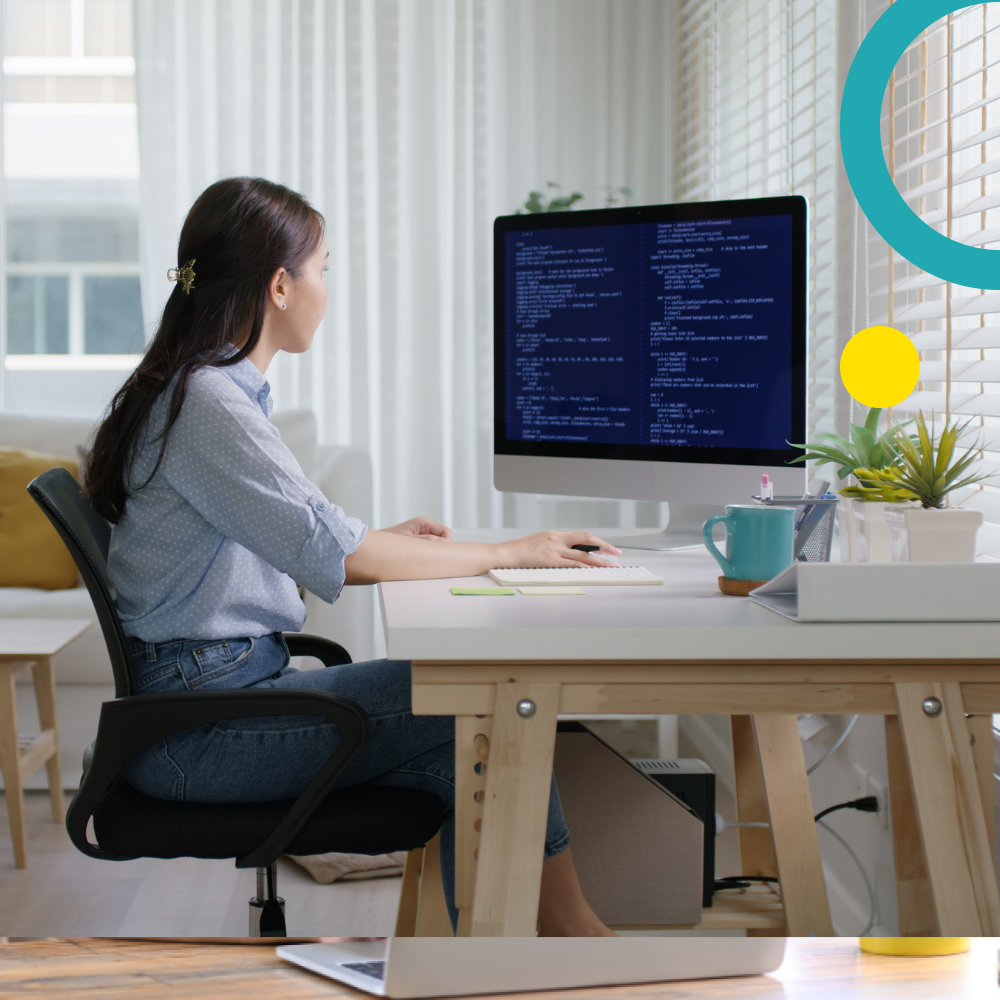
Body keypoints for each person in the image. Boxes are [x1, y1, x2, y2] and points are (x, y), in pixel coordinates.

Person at [84, 176, 622, 936]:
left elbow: (306, 528)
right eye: (323, 269)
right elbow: (338, 557)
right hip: (195, 732)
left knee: (461, 754)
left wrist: (393, 538)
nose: (326, 289)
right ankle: (573, 938)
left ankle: (494, 958)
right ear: (280, 285)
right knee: (480, 689)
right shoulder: (209, 403)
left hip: (205, 700)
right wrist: (508, 552)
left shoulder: (206, 391)